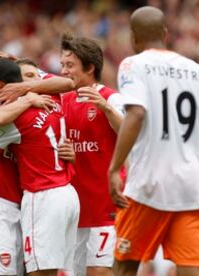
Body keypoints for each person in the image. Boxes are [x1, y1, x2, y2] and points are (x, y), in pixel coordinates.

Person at [108, 6, 199, 276]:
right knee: (190, 269)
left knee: (124, 266)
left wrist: (114, 168)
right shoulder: (198, 71)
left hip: (148, 184)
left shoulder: (132, 64)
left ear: (133, 38)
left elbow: (136, 113)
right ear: (165, 34)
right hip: (190, 189)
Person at [0, 58, 80, 276]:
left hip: (43, 195)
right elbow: (67, 83)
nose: (36, 79)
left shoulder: (16, 118)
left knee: (38, 272)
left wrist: (25, 98)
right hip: (68, 194)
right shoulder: (54, 99)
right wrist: (29, 95)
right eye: (28, 76)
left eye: (36, 76)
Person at [59, 34, 125, 276]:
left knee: (99, 272)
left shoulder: (111, 98)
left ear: (89, 67)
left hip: (105, 206)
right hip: (75, 211)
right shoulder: (63, 101)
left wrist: (106, 109)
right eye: (62, 65)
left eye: (69, 66)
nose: (64, 71)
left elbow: (129, 132)